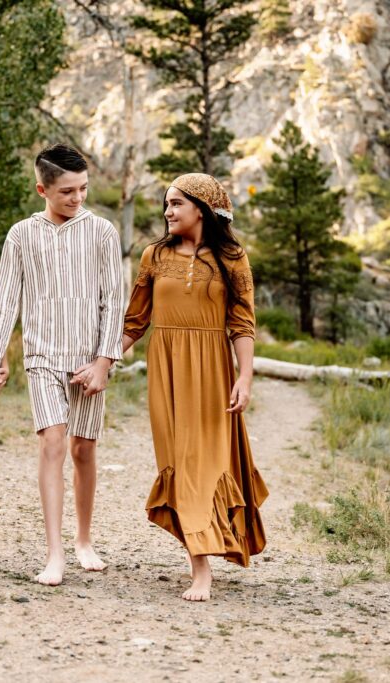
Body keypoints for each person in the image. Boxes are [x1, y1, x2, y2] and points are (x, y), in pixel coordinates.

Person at [121, 173, 268, 601]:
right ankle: (198, 559)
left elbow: (242, 322)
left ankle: (201, 570)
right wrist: (105, 359)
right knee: (178, 464)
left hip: (212, 372)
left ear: (200, 208)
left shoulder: (232, 258)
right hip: (165, 370)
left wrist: (245, 376)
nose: (167, 212)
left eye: (175, 204)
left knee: (201, 466)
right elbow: (136, 320)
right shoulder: (154, 256)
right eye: (166, 204)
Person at [0, 143, 124, 586]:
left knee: (83, 449)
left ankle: (83, 540)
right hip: (42, 356)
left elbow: (114, 301)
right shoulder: (21, 235)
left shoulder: (102, 232)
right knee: (52, 443)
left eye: (83, 189)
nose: (77, 198)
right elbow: (5, 301)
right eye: (67, 191)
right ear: (42, 189)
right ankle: (55, 553)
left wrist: (103, 361)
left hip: (89, 360)